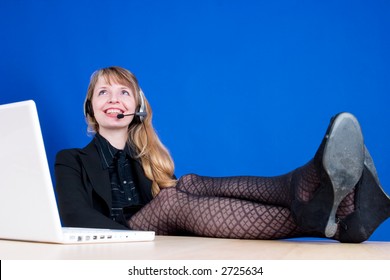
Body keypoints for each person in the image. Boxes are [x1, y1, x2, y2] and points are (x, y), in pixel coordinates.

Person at [55, 66, 390, 243]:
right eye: (103, 92)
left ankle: (341, 216)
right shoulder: (70, 159)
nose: (114, 99)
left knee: (185, 183)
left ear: (137, 108)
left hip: (160, 235)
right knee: (173, 200)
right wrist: (136, 239)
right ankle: (308, 185)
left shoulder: (145, 160)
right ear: (91, 108)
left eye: (124, 92)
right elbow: (73, 217)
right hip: (125, 237)